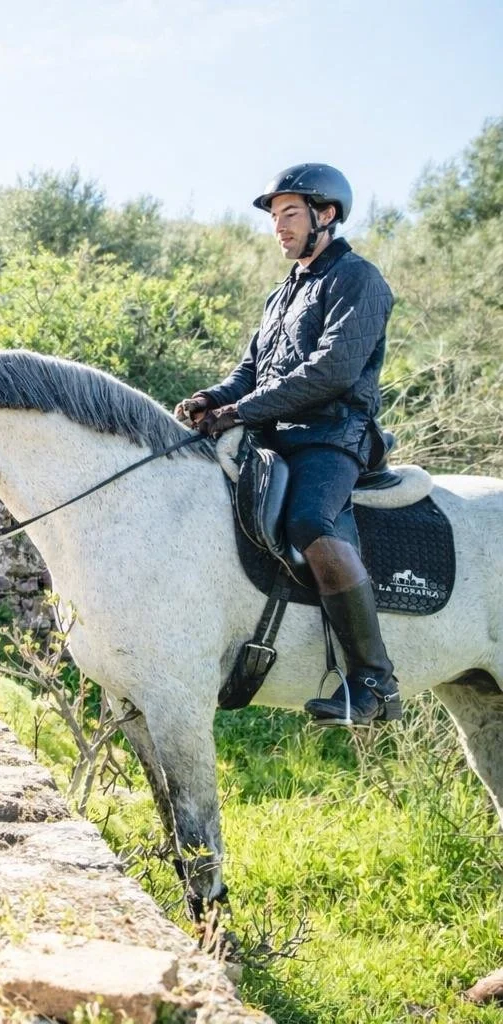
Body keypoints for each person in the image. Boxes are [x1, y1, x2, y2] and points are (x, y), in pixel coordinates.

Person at [174, 163, 399, 727]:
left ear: (326, 215)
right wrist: (211, 399)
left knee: (309, 523)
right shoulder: (281, 296)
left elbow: (332, 370)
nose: (279, 227)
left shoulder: (359, 280)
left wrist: (239, 411)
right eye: (275, 218)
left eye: (290, 214)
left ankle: (374, 683)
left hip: (331, 433)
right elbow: (250, 370)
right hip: (273, 432)